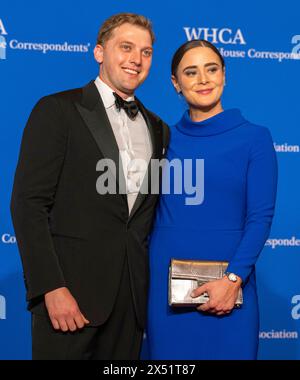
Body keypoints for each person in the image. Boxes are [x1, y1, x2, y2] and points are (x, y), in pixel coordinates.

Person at [10, 13, 169, 360]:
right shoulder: (57, 110)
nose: (136, 59)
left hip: (130, 306)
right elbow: (28, 204)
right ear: (99, 52)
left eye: (146, 52)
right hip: (69, 299)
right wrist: (50, 287)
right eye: (125, 47)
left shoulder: (159, 128)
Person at [146, 39, 277, 359]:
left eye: (211, 69)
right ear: (176, 83)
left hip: (231, 291)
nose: (203, 79)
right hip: (166, 294)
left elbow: (260, 217)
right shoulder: (158, 139)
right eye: (191, 72)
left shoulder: (255, 138)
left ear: (224, 75)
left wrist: (233, 280)